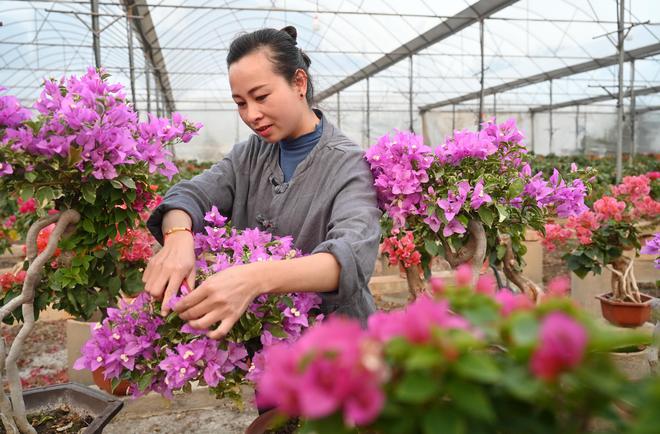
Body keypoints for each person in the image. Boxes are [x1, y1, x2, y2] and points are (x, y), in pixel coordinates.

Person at [143, 26, 382, 340]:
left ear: (299, 82)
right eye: (241, 103)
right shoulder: (249, 154)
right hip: (272, 350)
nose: (251, 115)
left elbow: (349, 258)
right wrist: (177, 237)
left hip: (339, 352)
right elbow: (191, 193)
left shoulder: (348, 163)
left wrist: (252, 278)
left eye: (261, 97)